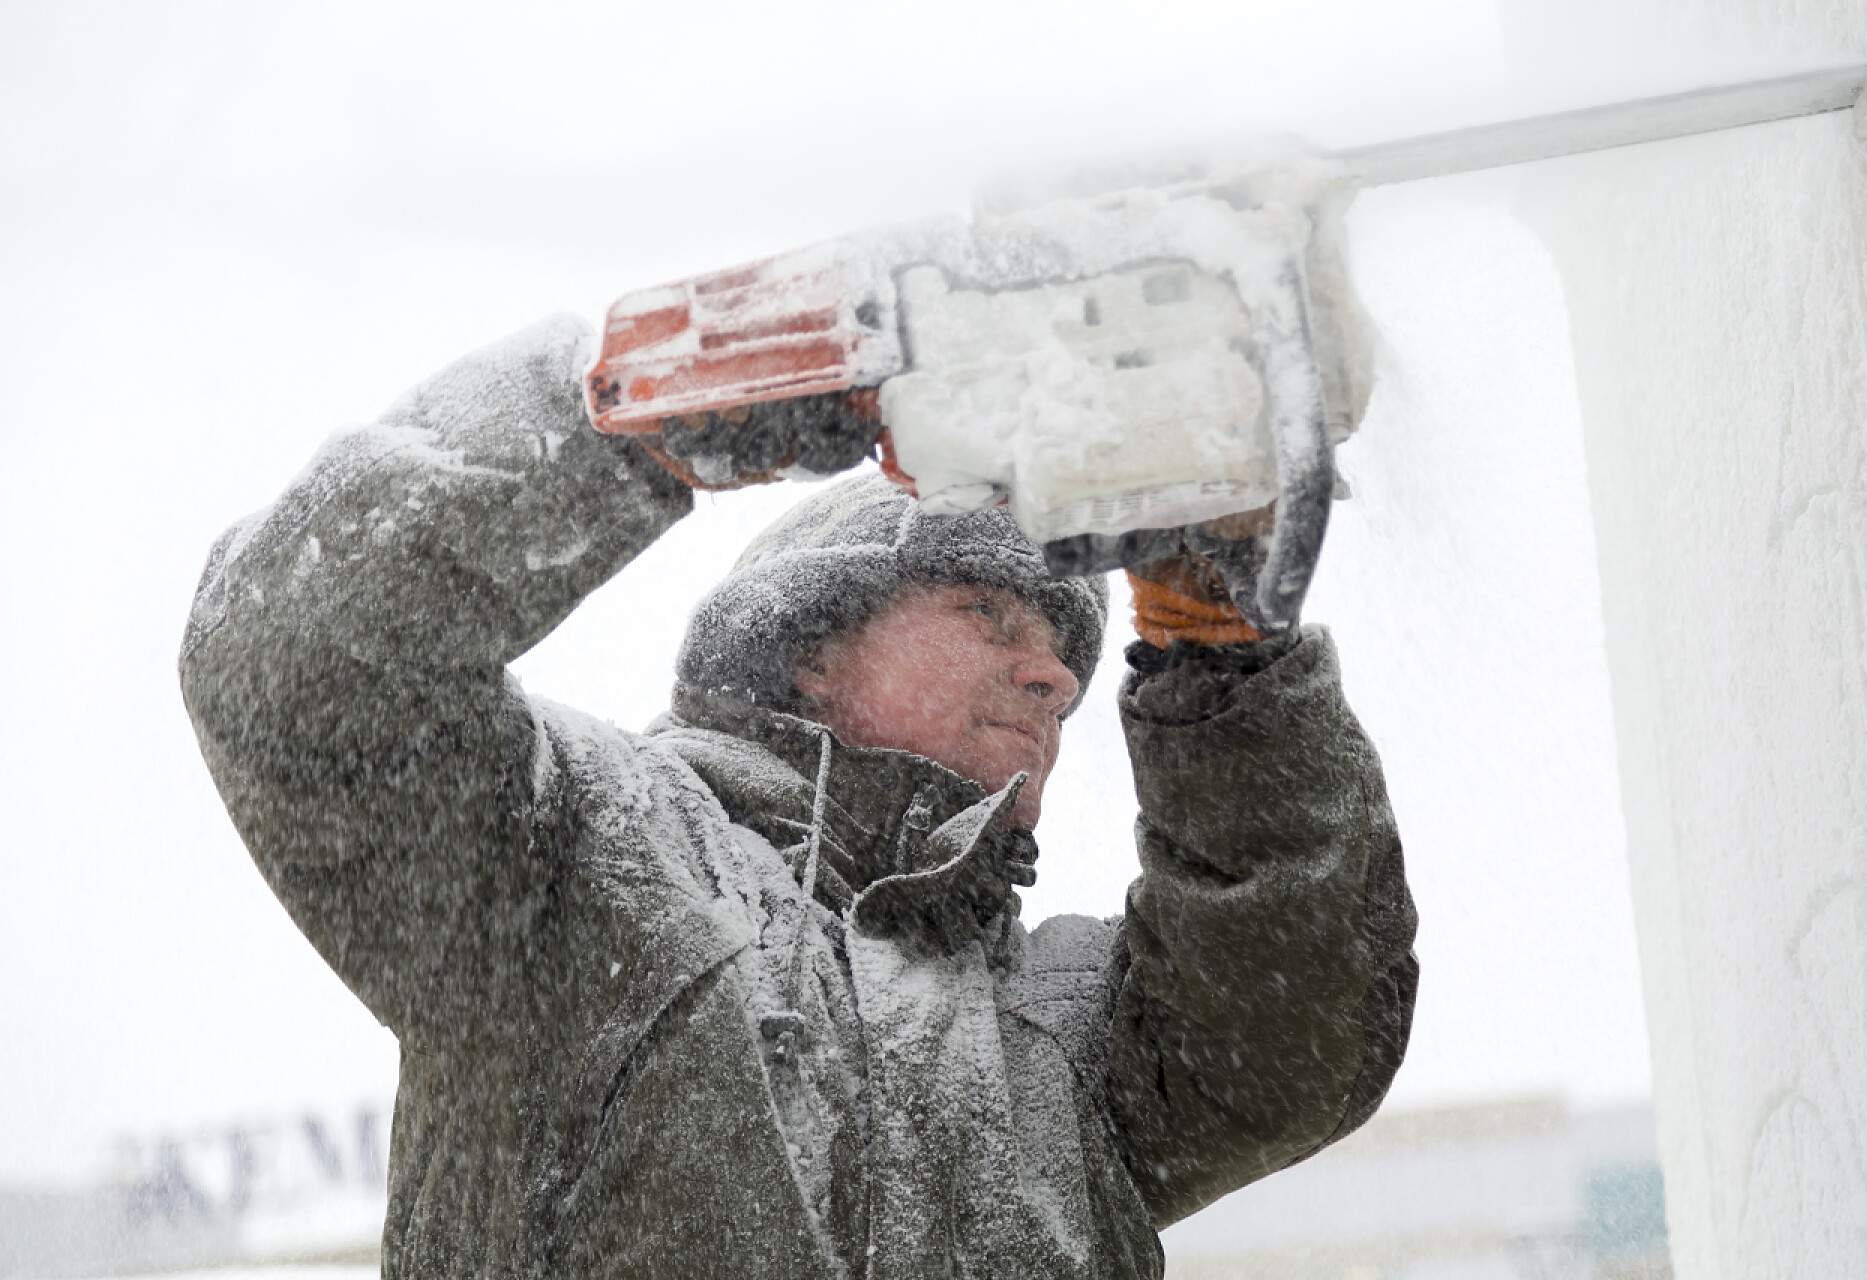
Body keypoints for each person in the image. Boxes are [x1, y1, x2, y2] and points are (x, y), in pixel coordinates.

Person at [180, 314, 1417, 1280]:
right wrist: (659, 394)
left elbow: (1296, 1023)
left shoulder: (1070, 1026)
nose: (1048, 670)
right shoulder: (577, 853)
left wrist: (1223, 643)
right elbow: (295, 654)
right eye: (988, 612)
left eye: (1069, 655)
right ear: (809, 642)